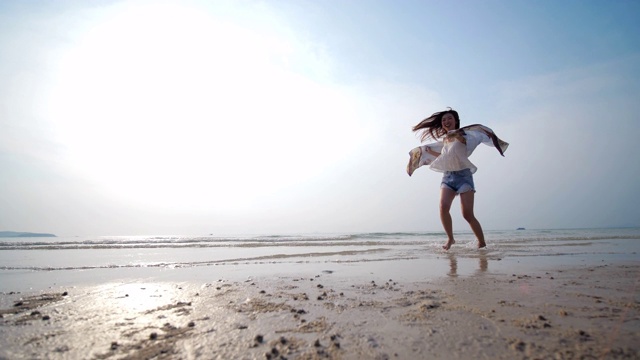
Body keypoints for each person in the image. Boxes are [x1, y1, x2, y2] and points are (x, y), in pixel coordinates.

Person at [408, 108, 508, 250]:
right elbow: (447, 157)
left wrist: (463, 137)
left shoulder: (464, 135)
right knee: (443, 207)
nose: (446, 121)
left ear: (455, 121)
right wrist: (430, 152)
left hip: (464, 177)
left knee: (467, 214)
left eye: (449, 118)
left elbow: (466, 144)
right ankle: (450, 239)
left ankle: (481, 242)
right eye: (443, 120)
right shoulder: (445, 140)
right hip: (448, 176)